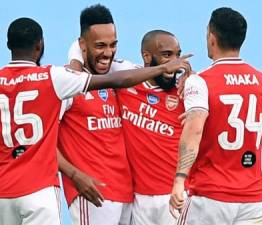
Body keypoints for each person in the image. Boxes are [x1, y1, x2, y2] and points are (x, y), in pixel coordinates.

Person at [0, 17, 190, 225]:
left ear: (8, 45)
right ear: (40, 46)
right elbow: (114, 79)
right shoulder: (53, 79)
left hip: (4, 191)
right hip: (44, 191)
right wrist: (75, 174)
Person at [68, 28, 192, 224]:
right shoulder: (126, 77)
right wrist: (74, 66)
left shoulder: (188, 90)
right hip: (139, 201)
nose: (175, 62)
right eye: (167, 55)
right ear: (146, 56)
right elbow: (82, 45)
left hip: (176, 196)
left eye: (178, 55)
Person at [169, 7, 262, 225]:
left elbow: (194, 130)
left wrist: (180, 179)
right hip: (255, 200)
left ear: (212, 37)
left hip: (210, 198)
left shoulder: (201, 81)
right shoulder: (261, 80)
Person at [57, 4, 134, 225]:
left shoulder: (117, 77)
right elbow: (40, 139)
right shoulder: (66, 83)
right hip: (92, 193)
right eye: (100, 45)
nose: (108, 53)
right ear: (82, 45)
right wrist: (74, 175)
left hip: (126, 191)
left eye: (113, 45)